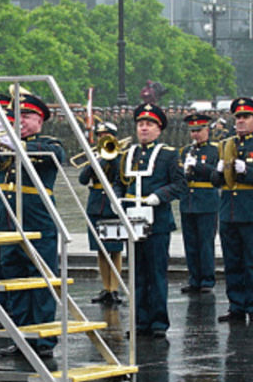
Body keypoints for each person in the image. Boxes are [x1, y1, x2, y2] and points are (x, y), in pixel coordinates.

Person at [0, 92, 66, 358]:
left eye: (29, 117)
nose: (22, 122)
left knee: (40, 280)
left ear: (41, 121)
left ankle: (43, 341)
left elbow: (54, 155)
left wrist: (12, 142)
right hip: (8, 220)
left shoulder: (47, 143)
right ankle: (22, 339)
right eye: (19, 117)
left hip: (37, 219)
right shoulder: (3, 141)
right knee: (15, 279)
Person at [108, 104, 185, 339]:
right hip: (132, 218)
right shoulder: (127, 154)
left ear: (158, 129)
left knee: (156, 273)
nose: (144, 128)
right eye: (141, 124)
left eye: (149, 124)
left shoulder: (168, 154)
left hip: (157, 220)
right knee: (137, 273)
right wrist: (115, 197)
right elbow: (119, 180)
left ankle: (158, 322)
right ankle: (140, 321)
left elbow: (180, 185)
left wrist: (159, 196)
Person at [211, 98, 253, 323]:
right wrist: (218, 172)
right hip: (229, 209)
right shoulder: (225, 144)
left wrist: (247, 171)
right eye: (237, 117)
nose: (240, 121)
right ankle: (236, 305)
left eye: (246, 117)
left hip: (252, 210)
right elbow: (215, 182)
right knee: (232, 261)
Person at [80, 120, 124, 308]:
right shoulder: (94, 155)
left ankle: (114, 288)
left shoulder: (120, 156)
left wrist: (109, 157)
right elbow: (83, 180)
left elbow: (121, 177)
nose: (102, 138)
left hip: (112, 204)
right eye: (99, 136)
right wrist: (93, 163)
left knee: (114, 248)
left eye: (106, 135)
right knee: (100, 248)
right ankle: (105, 287)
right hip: (96, 203)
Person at [178, 111, 219, 295]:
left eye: (199, 130)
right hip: (188, 201)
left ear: (207, 130)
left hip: (206, 200)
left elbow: (217, 174)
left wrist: (198, 166)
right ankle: (194, 279)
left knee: (205, 243)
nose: (195, 134)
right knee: (191, 243)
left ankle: (207, 280)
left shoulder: (215, 150)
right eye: (193, 131)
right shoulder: (186, 150)